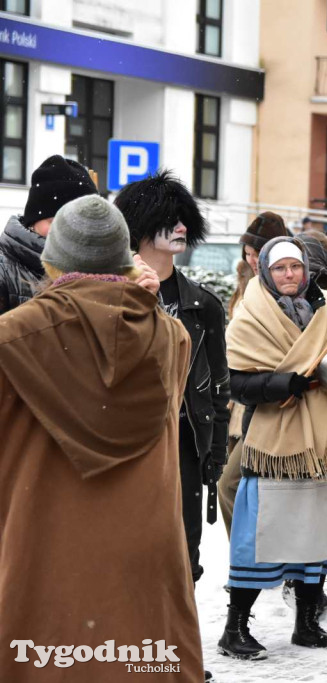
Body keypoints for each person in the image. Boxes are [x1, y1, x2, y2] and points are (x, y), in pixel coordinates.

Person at [0, 195, 204, 681]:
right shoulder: (171, 337)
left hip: (39, 544)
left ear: (51, 262)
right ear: (126, 260)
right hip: (143, 553)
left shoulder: (11, 339)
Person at [218, 235, 327, 660]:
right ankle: (235, 627)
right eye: (281, 267)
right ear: (266, 271)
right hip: (274, 436)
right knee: (259, 530)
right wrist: (284, 383)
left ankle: (307, 623)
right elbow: (236, 382)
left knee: (318, 528)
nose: (289, 274)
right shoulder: (250, 314)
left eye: (296, 266)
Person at [114, 170, 230, 586]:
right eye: (169, 219)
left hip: (184, 442)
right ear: (141, 226)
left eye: (184, 219)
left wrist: (215, 452)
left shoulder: (203, 304)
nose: (181, 227)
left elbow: (218, 386)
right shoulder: (111, 295)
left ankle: (175, 626)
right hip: (127, 443)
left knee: (183, 556)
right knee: (125, 554)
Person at [220, 211, 292, 530]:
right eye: (248, 253)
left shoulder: (285, 290)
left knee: (231, 485)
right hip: (237, 398)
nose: (251, 260)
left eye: (257, 252)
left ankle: (250, 553)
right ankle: (245, 552)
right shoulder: (246, 284)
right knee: (238, 487)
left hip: (267, 400)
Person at [0, 155, 99, 313]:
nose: (68, 230)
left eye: (80, 222)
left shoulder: (103, 268)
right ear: (33, 220)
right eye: (55, 221)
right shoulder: (4, 271)